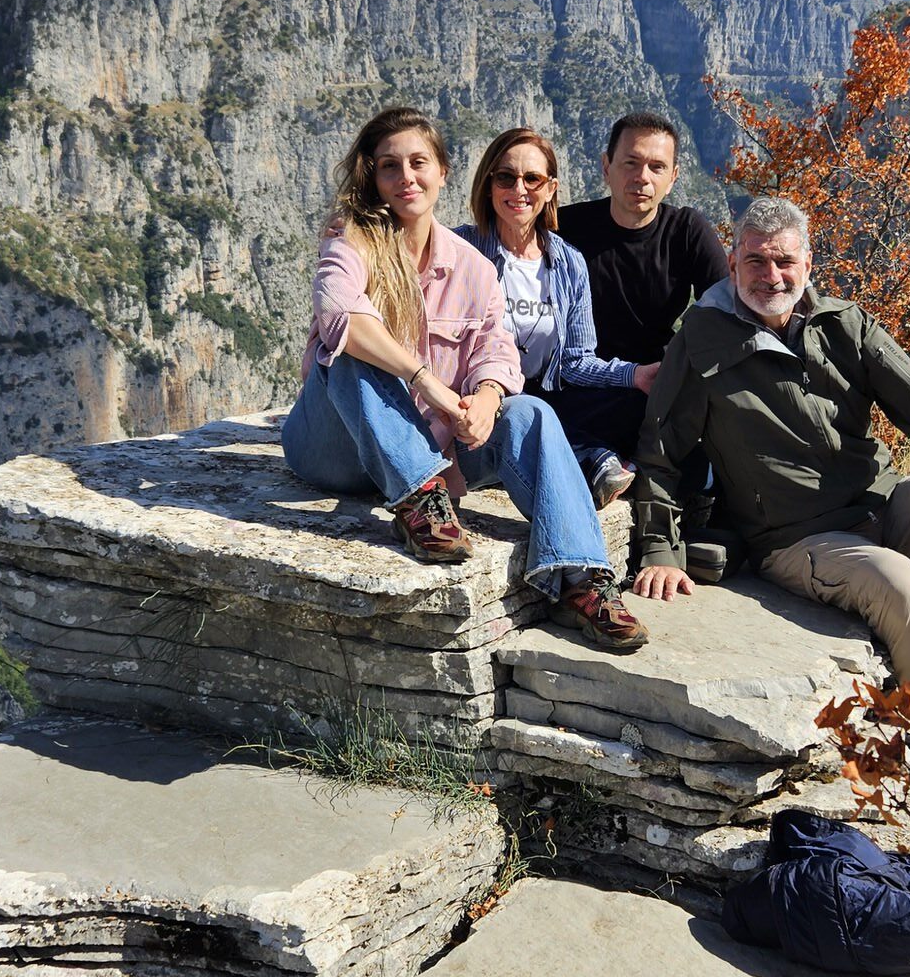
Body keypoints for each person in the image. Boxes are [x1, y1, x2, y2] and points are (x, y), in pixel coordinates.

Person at [628, 194, 910, 777]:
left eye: (783, 262)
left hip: (878, 506)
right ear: (733, 263)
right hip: (796, 539)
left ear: (808, 263)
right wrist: (659, 550)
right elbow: (661, 452)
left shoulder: (844, 325)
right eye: (756, 262)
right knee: (898, 580)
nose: (770, 276)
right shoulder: (702, 341)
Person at [280, 106, 647, 652]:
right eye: (389, 166)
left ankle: (580, 579)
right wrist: (425, 379)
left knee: (532, 414)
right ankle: (419, 500)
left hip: (435, 445)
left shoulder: (473, 266)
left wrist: (487, 397)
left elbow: (497, 349)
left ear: (443, 172)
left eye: (418, 163)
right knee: (351, 350)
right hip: (336, 449)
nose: (406, 177)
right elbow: (340, 317)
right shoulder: (351, 240)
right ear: (373, 177)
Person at [456, 126, 645, 508]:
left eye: (532, 179)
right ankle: (593, 462)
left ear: (551, 188)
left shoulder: (568, 263)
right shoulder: (461, 247)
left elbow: (576, 362)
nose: (519, 189)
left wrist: (636, 374)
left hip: (547, 392)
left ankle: (605, 466)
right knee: (531, 414)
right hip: (479, 397)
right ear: (489, 183)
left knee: (634, 402)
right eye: (506, 177)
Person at [554, 110, 730, 506]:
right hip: (582, 383)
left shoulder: (686, 231)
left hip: (656, 385)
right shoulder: (566, 229)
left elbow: (724, 312)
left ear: (674, 177)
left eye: (656, 166)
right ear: (606, 167)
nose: (642, 178)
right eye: (630, 163)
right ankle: (604, 460)